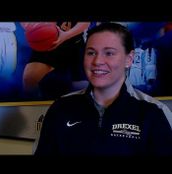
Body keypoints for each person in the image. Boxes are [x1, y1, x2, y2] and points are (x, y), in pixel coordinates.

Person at [34, 22, 172, 156]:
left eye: (109, 53)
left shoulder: (153, 113)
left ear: (129, 59)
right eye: (91, 53)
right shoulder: (60, 109)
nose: (97, 61)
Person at [21, 22, 90, 100]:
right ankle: (35, 106)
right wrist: (29, 27)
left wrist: (66, 35)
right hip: (48, 40)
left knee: (80, 86)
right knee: (29, 79)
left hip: (73, 41)